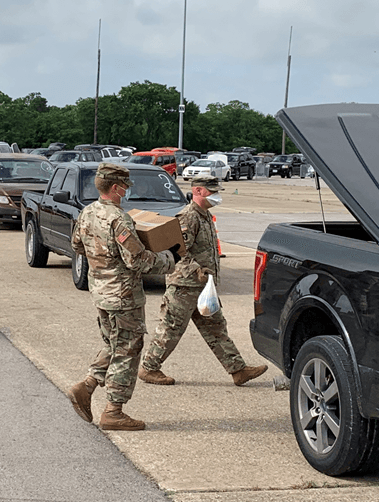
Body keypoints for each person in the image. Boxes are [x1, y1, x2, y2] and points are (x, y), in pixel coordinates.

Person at [67, 163, 179, 431]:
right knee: (128, 350)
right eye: (125, 187)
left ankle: (87, 386)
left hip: (101, 292)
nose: (127, 192)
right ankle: (113, 412)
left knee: (114, 343)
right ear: (115, 188)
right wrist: (170, 258)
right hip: (123, 296)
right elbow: (137, 260)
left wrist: (103, 261)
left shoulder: (87, 212)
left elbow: (77, 245)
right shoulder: (119, 219)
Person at [138, 175, 268, 387]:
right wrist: (197, 269)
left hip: (203, 287)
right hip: (184, 286)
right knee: (171, 328)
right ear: (197, 191)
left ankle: (238, 370)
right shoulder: (188, 217)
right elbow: (177, 252)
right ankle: (149, 368)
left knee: (216, 328)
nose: (216, 196)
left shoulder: (205, 216)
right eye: (212, 191)